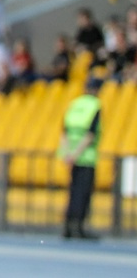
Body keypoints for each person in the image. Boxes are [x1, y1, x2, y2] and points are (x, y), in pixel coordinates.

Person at [59, 75, 103, 240]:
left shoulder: (75, 104)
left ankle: (68, 226)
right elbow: (90, 135)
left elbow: (64, 130)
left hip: (71, 155)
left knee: (73, 192)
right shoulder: (95, 105)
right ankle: (78, 227)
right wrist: (77, 153)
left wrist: (67, 153)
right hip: (86, 156)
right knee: (82, 193)